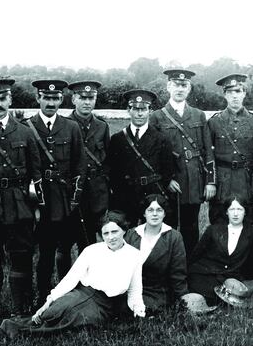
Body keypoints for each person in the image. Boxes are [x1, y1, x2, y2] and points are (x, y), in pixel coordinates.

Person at [0, 211, 145, 338]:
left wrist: (139, 311)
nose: (111, 237)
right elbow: (71, 278)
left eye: (115, 231)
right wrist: (49, 300)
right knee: (54, 312)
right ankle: (12, 327)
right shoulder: (92, 251)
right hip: (83, 292)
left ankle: (27, 332)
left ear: (124, 230)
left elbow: (135, 289)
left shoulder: (134, 255)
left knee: (78, 320)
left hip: (107, 305)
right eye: (106, 233)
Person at [0, 79, 41, 324]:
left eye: (2, 99)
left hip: (19, 203)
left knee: (21, 254)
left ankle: (20, 309)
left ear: (10, 100)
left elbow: (36, 173)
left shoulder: (25, 132)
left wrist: (37, 207)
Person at [26, 79, 87, 304]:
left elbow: (80, 164)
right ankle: (42, 295)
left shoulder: (71, 127)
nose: (51, 103)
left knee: (66, 248)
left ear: (62, 99)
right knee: (45, 251)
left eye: (55, 98)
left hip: (65, 199)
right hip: (41, 200)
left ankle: (66, 292)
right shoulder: (27, 126)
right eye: (46, 98)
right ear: (38, 98)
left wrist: (75, 198)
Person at [148, 69, 216, 255]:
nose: (180, 88)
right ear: (168, 86)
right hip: (171, 181)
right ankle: (168, 269)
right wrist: (166, 179)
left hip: (194, 179)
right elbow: (153, 155)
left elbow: (208, 150)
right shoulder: (157, 117)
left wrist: (210, 181)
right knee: (168, 226)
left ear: (189, 89)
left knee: (191, 226)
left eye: (184, 85)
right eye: (176, 85)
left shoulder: (198, 115)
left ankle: (189, 269)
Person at [107, 90, 174, 226]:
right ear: (128, 110)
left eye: (143, 109)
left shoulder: (161, 138)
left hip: (151, 194)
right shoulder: (117, 139)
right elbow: (112, 171)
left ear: (150, 111)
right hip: (125, 195)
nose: (139, 113)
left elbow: (167, 170)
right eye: (135, 109)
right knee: (126, 234)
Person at [207, 73, 253, 225]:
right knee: (219, 221)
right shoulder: (215, 122)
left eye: (238, 91)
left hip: (245, 179)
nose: (234, 96)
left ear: (244, 93)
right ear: (225, 95)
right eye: (230, 92)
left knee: (248, 221)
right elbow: (208, 153)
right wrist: (211, 181)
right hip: (222, 180)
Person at [187, 195, 253, 306]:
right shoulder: (213, 229)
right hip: (208, 273)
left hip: (231, 277)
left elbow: (250, 261)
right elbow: (196, 255)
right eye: (232, 209)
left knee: (235, 293)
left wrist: (248, 282)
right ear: (226, 212)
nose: (235, 214)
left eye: (239, 209)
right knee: (203, 289)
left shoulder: (252, 233)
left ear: (245, 212)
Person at [123, 194, 188, 314]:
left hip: (157, 291)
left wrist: (183, 299)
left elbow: (178, 273)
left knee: (145, 309)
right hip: (131, 289)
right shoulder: (132, 234)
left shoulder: (174, 237)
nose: (154, 214)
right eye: (150, 210)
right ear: (144, 213)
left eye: (159, 210)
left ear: (164, 214)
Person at [65, 80, 109, 248]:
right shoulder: (64, 125)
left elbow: (106, 160)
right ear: (74, 99)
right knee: (66, 241)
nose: (87, 102)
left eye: (91, 98)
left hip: (95, 194)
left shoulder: (102, 127)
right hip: (72, 192)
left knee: (92, 241)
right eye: (82, 98)